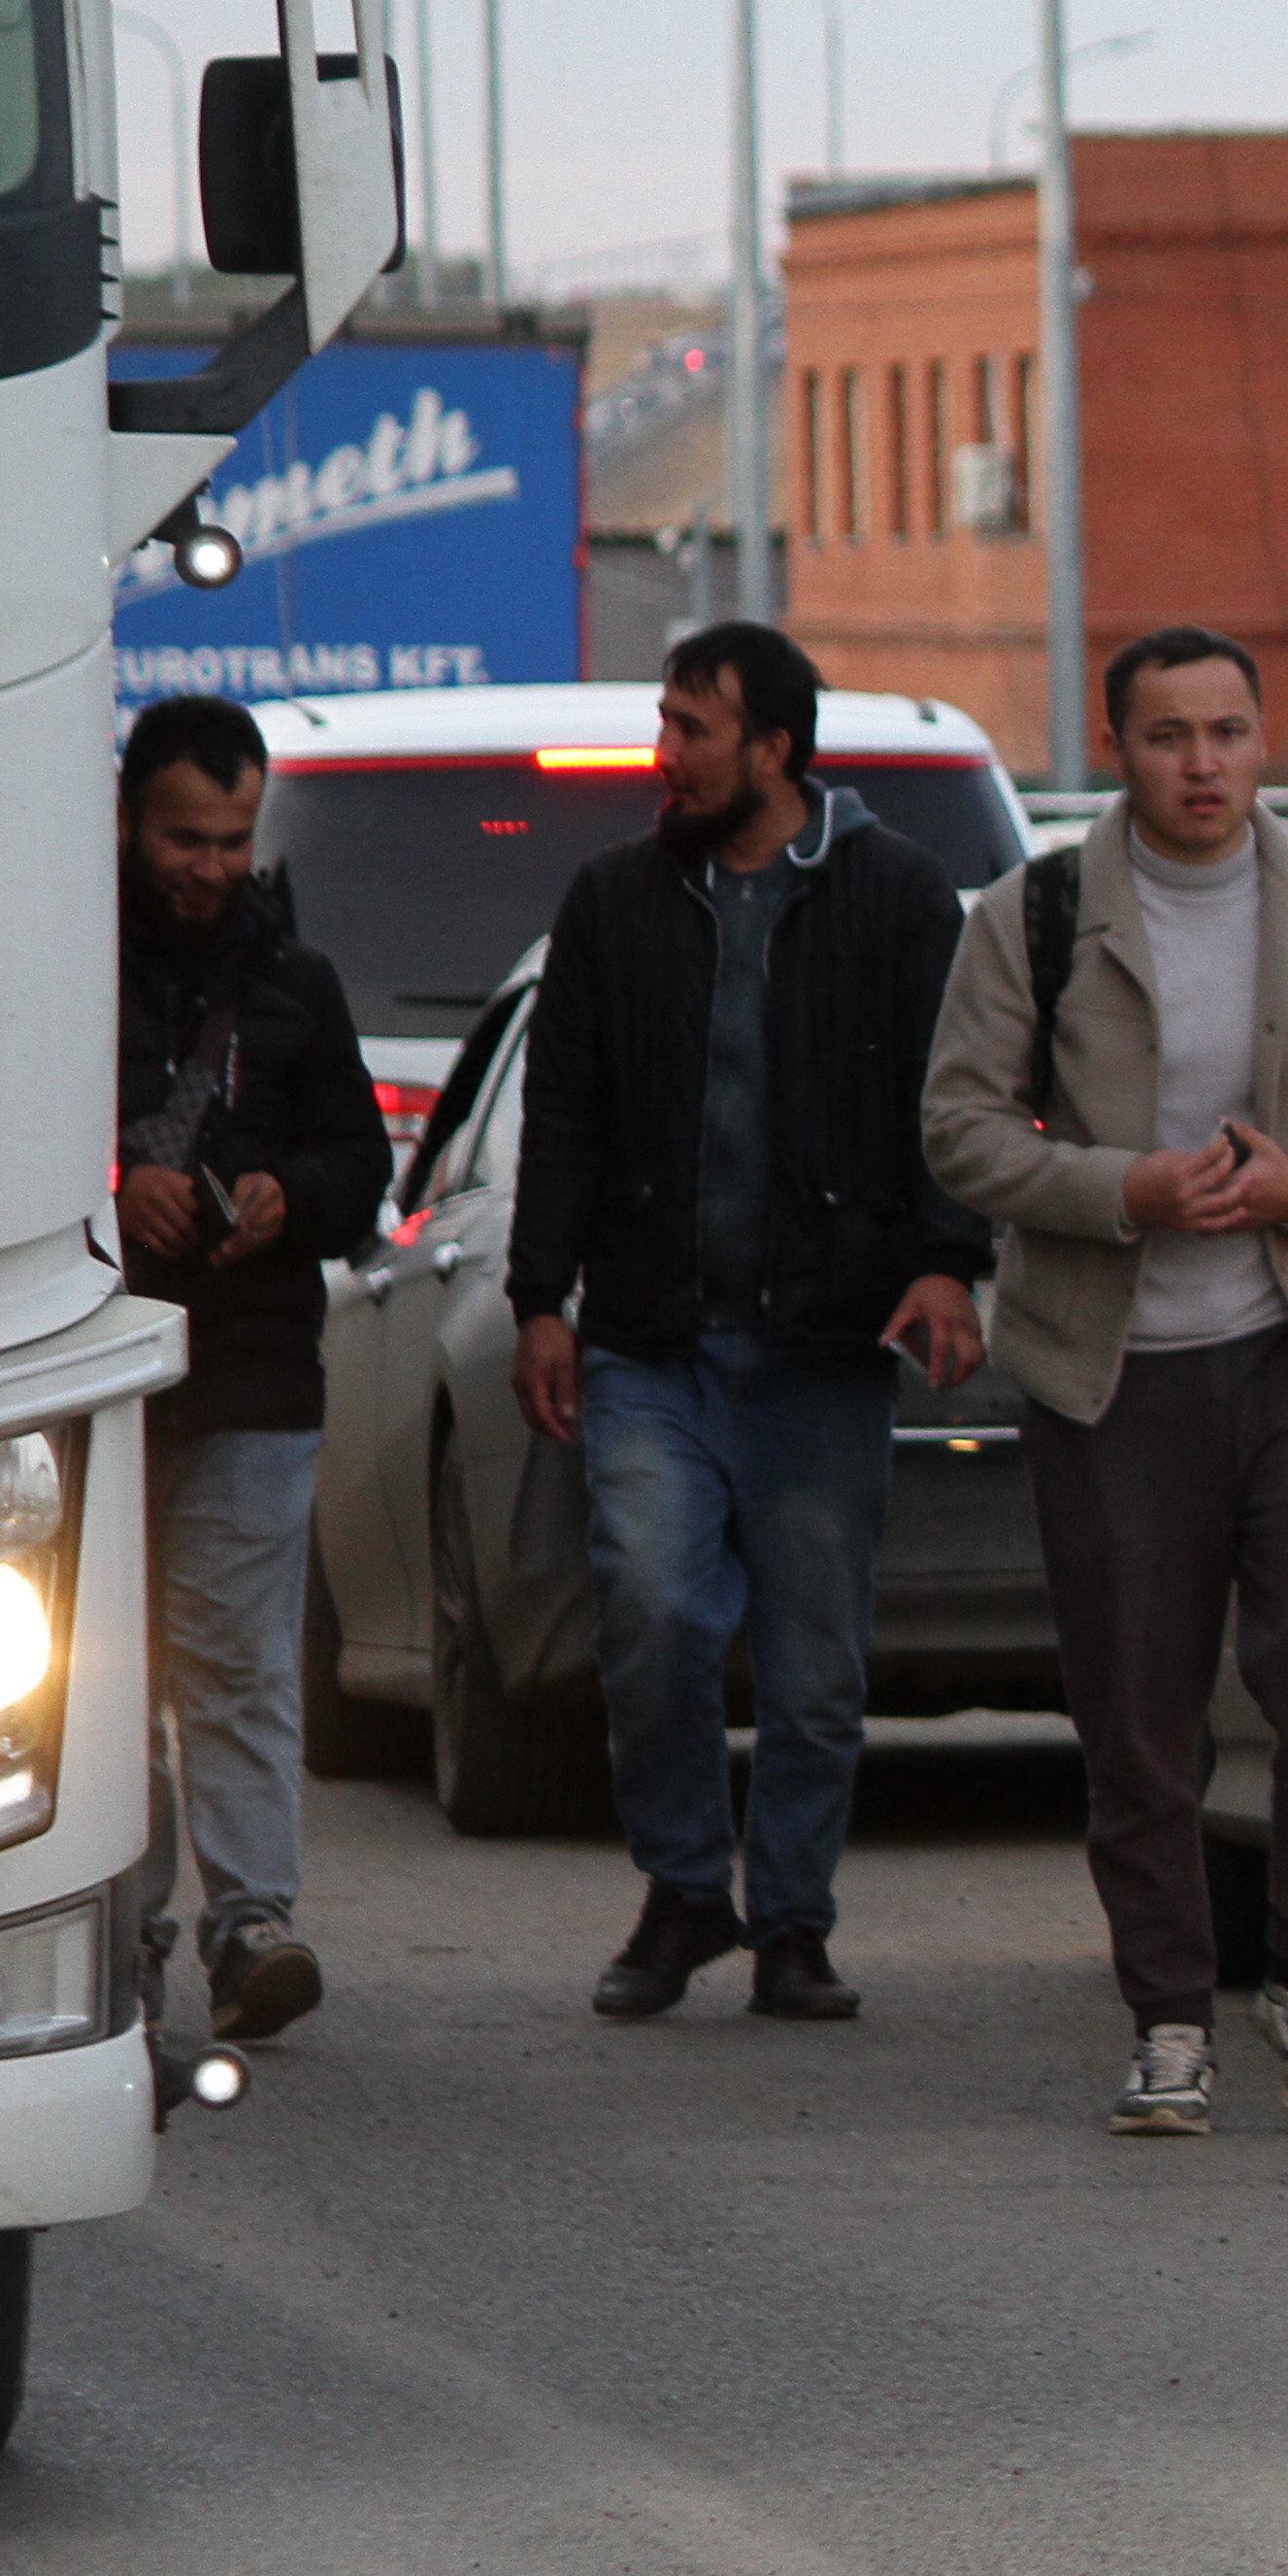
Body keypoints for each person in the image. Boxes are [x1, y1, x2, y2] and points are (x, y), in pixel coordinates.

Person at [920, 627, 1288, 2134]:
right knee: (1139, 1716)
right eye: (1170, 737)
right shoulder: (1030, 916)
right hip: (1112, 1374)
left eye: (1229, 732)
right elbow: (960, 1130)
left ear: (1262, 741)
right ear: (1122, 748)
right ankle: (1168, 2012)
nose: (1205, 764)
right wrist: (1119, 1190)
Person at [505, 623, 990, 2024]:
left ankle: (792, 1922)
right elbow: (566, 1114)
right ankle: (681, 1890)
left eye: (693, 730)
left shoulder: (899, 900)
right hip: (652, 1342)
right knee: (652, 1607)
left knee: (815, 1657)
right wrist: (544, 1301)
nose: (668, 756)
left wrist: (949, 1263)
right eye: (665, 725)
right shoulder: (614, 901)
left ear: (774, 749)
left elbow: (946, 1106)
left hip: (823, 1348)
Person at [112, 696, 389, 2045]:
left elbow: (362, 1170)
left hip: (253, 1376)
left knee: (233, 1661)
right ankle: (119, 1924)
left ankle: (248, 1922)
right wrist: (118, 1188)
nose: (209, 866)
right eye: (184, 837)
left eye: (231, 839)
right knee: (95, 1676)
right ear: (124, 822)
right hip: (84, 1385)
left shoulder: (298, 983)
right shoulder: (50, 969)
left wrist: (285, 1195)